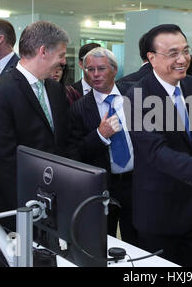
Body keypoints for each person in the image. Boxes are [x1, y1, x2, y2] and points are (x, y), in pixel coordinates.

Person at [126, 24, 192, 267]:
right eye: (173, 53)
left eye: (185, 51)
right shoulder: (136, 96)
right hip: (159, 213)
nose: (182, 59)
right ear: (151, 58)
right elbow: (156, 153)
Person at [0, 21, 69, 229]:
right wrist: (30, 206)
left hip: (53, 206)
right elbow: (2, 160)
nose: (64, 62)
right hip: (17, 209)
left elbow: (62, 144)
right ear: (43, 51)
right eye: (61, 55)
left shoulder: (56, 90)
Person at [67, 47, 138, 246]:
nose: (95, 74)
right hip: (102, 188)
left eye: (101, 69)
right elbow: (74, 154)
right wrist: (100, 135)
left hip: (137, 183)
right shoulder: (78, 109)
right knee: (102, 243)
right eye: (90, 69)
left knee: (137, 241)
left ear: (114, 70)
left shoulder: (135, 95)